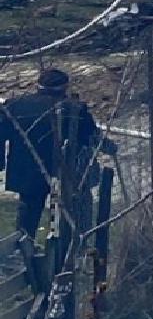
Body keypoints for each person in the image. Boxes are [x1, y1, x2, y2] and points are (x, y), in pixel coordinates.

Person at [0, 64, 110, 241]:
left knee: (28, 214)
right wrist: (110, 148)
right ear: (65, 88)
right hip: (66, 171)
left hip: (28, 170)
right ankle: (72, 249)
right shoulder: (74, 109)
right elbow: (90, 137)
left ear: (38, 86)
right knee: (71, 213)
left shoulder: (15, 106)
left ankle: (23, 250)